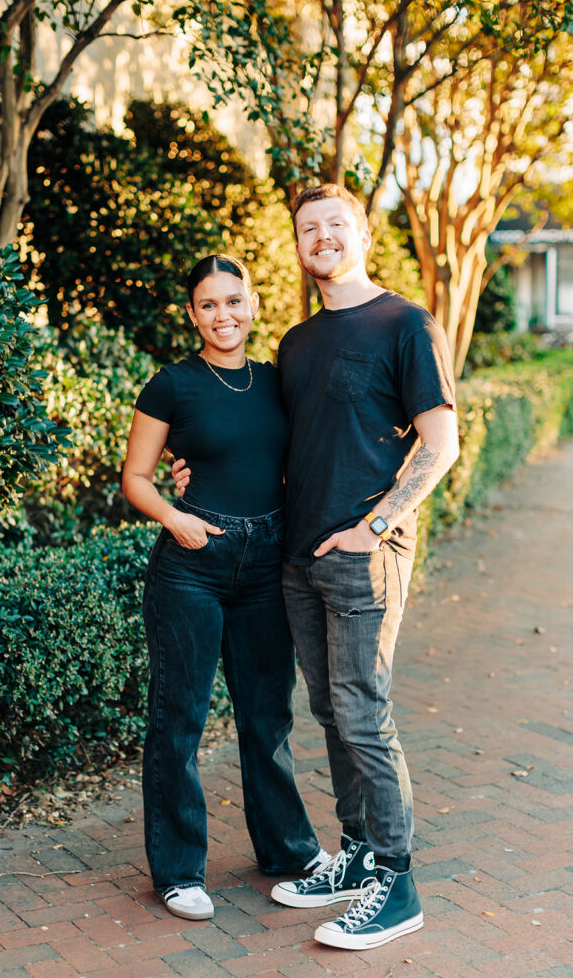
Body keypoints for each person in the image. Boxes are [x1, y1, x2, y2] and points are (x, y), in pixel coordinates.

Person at [175, 184, 458, 951]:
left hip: (364, 555)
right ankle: (359, 854)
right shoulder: (296, 343)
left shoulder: (405, 323)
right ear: (297, 246)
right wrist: (193, 478)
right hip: (297, 559)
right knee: (331, 714)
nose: (322, 236)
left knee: (364, 714)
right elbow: (276, 446)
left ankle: (396, 887)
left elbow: (440, 443)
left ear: (360, 233)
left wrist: (376, 525)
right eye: (308, 228)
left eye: (335, 224)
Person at [121, 253, 327, 923]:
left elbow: (297, 456)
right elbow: (136, 477)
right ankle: (179, 871)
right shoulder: (171, 385)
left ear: (253, 305)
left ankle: (289, 852)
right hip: (193, 567)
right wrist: (176, 518)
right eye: (208, 304)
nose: (223, 315)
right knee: (178, 718)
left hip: (266, 566)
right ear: (192, 314)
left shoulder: (276, 382)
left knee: (267, 716)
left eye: (233, 301)